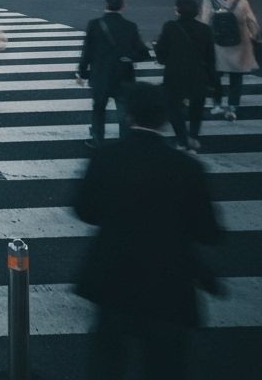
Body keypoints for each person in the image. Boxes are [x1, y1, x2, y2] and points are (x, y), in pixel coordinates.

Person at [74, 82, 222, 380]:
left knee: (107, 362)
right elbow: (208, 232)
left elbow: (85, 210)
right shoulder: (186, 168)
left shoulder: (107, 157)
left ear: (129, 116)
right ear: (164, 119)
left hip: (115, 274)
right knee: (165, 365)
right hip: (169, 281)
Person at [78, 0, 151, 147]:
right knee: (123, 112)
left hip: (100, 75)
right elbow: (143, 53)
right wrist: (129, 57)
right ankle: (125, 142)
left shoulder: (95, 24)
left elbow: (87, 51)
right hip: (123, 76)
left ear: (106, 3)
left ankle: (98, 140)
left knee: (98, 109)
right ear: (123, 5)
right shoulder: (130, 26)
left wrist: (83, 71)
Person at [155, 0, 217, 152]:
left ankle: (182, 140)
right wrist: (212, 78)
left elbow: (161, 49)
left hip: (175, 73)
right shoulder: (205, 29)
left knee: (174, 108)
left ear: (178, 10)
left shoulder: (170, 27)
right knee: (197, 107)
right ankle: (194, 137)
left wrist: (163, 59)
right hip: (198, 73)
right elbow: (210, 56)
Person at [198, 0, 259, 122]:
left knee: (216, 77)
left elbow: (204, 23)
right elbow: (252, 23)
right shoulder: (242, 1)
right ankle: (232, 107)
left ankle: (217, 104)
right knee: (236, 79)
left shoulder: (209, 1)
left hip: (217, 44)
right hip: (240, 44)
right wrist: (253, 37)